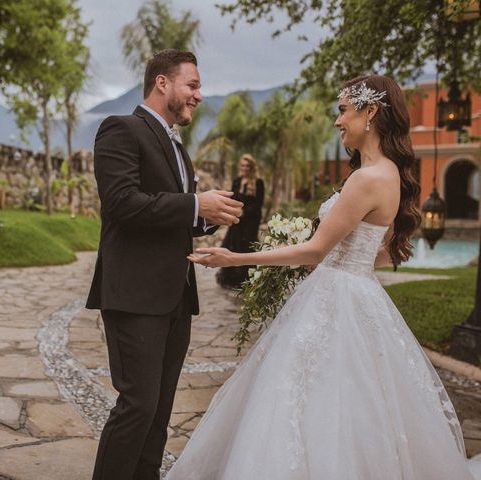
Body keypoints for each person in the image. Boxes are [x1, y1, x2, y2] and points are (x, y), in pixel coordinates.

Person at [167, 74, 481, 479]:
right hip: (356, 291)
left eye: (343, 110)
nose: (337, 121)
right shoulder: (387, 175)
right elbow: (374, 255)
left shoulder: (367, 179)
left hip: (336, 297)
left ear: (370, 112)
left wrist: (233, 258)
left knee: (305, 396)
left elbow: (317, 250)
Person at [85, 49, 244, 480]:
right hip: (135, 295)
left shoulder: (178, 148)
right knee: (137, 405)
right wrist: (196, 203)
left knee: (159, 410)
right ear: (162, 83)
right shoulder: (120, 129)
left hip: (176, 297)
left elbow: (169, 216)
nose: (198, 95)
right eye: (192, 85)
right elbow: (121, 204)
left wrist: (208, 217)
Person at [216, 153, 265, 288]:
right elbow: (233, 198)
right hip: (237, 219)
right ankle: (232, 279)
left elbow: (259, 203)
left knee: (246, 246)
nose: (244, 168)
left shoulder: (258, 182)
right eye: (242, 166)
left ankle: (247, 278)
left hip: (251, 221)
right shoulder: (237, 181)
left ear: (251, 167)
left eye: (247, 166)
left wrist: (245, 212)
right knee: (233, 243)